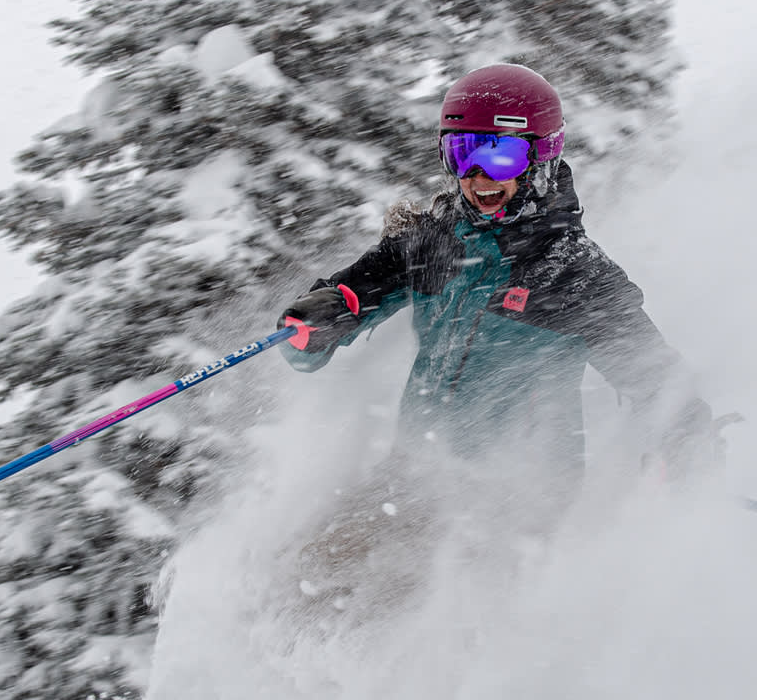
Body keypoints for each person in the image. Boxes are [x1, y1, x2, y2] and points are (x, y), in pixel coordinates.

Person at [274, 63, 718, 622]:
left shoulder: (571, 273)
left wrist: (686, 439)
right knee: (303, 581)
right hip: (412, 475)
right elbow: (336, 310)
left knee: (408, 620)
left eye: (501, 156)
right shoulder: (433, 242)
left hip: (513, 495)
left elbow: (654, 377)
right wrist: (315, 322)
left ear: (541, 158)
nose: (479, 176)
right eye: (463, 154)